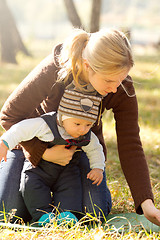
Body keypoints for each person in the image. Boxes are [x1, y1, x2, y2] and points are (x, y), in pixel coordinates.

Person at [0, 28, 160, 226]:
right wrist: (42, 153)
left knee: (93, 213)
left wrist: (146, 203)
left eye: (121, 79)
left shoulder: (120, 85)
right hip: (32, 145)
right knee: (9, 211)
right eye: (109, 80)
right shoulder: (55, 69)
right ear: (87, 65)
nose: (115, 87)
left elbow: (130, 144)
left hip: (78, 151)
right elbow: (10, 115)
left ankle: (60, 199)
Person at [0, 88, 105, 224]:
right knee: (32, 186)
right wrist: (5, 143)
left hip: (67, 169)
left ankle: (67, 214)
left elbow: (95, 149)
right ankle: (43, 215)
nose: (82, 129)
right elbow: (21, 129)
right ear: (63, 117)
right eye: (77, 124)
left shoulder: (87, 134)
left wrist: (97, 167)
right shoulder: (46, 125)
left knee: (71, 188)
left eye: (88, 124)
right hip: (38, 168)